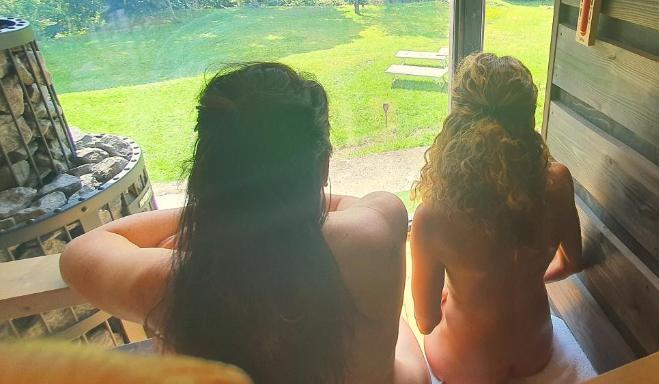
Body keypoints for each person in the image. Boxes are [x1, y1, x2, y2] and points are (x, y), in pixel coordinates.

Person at [60, 62, 429, 384]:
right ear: (322, 168)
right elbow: (355, 202)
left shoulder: (171, 283)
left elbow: (82, 251)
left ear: (206, 175)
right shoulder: (379, 226)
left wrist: (221, 207)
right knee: (401, 338)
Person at [410, 53, 583, 384]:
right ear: (528, 118)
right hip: (537, 351)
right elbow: (571, 263)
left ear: (458, 122)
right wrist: (520, 282)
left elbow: (426, 322)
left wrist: (467, 293)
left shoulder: (433, 216)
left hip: (465, 366)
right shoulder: (558, 182)